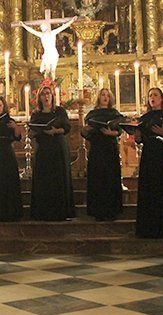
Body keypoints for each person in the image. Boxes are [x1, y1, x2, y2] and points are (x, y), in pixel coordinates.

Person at [135, 88, 163, 238]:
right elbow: (140, 139)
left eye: (155, 95)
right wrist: (137, 136)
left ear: (161, 98)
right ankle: (148, 229)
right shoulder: (145, 117)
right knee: (149, 189)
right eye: (150, 95)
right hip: (149, 156)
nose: (152, 98)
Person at [29, 86, 75, 221]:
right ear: (39, 98)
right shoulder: (36, 114)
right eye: (43, 94)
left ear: (52, 96)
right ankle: (43, 212)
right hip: (43, 148)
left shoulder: (60, 111)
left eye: (48, 93)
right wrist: (32, 133)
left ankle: (60, 211)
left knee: (58, 178)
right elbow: (32, 130)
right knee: (43, 178)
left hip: (57, 148)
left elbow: (67, 127)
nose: (46, 96)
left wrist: (56, 131)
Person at [81, 88, 123, 221]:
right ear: (99, 97)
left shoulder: (114, 113)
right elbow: (86, 133)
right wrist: (85, 130)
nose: (105, 97)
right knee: (97, 178)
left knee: (110, 177)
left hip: (110, 148)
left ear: (111, 98)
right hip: (97, 148)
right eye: (103, 95)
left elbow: (120, 129)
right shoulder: (92, 114)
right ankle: (97, 210)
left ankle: (112, 210)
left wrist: (112, 133)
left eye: (107, 95)